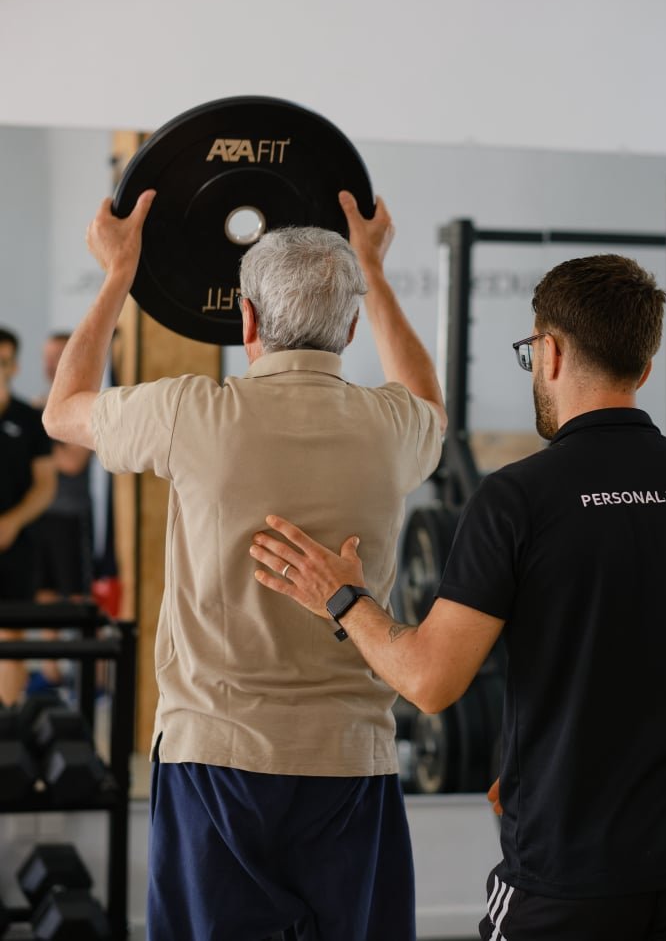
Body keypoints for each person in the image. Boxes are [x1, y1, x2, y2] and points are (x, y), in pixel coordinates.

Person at [250, 253, 666, 941]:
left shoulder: (518, 498)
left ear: (549, 352)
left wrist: (342, 598)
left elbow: (429, 682)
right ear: (643, 368)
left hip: (568, 874)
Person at [42, 187, 446, 941]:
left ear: (248, 319)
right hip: (349, 766)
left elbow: (63, 408)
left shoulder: (189, 412)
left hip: (214, 765)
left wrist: (119, 273)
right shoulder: (394, 428)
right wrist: (373, 269)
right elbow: (429, 399)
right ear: (350, 327)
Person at [31, 332, 94, 688]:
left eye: (57, 356)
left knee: (77, 596)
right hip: (40, 517)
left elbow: (72, 462)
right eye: (47, 356)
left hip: (71, 518)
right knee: (44, 594)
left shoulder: (83, 403)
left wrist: (38, 434)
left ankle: (87, 677)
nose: (50, 364)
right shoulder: (40, 406)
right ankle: (51, 672)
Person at [0, 327, 56, 705]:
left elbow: (45, 485)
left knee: (11, 636)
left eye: (3, 361)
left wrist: (13, 521)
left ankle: (6, 722)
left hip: (16, 545)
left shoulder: (29, 419)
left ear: (15, 366)